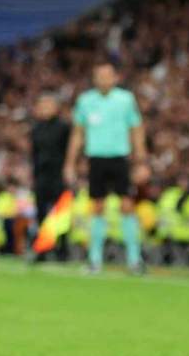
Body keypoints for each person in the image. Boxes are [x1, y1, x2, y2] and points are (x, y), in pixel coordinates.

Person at [63, 61, 149, 274]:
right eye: (99, 76)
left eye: (107, 76)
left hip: (120, 157)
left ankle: (134, 259)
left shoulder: (125, 99)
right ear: (94, 79)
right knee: (97, 207)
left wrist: (141, 159)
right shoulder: (85, 101)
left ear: (115, 78)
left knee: (127, 205)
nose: (103, 80)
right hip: (96, 158)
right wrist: (70, 163)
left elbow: (136, 128)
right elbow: (77, 133)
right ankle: (95, 260)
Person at [30, 93, 70, 261]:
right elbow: (34, 153)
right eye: (42, 105)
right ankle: (43, 248)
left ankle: (62, 249)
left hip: (58, 174)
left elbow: (68, 151)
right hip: (41, 174)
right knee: (41, 212)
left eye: (48, 105)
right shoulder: (36, 128)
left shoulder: (63, 127)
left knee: (60, 212)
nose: (44, 109)